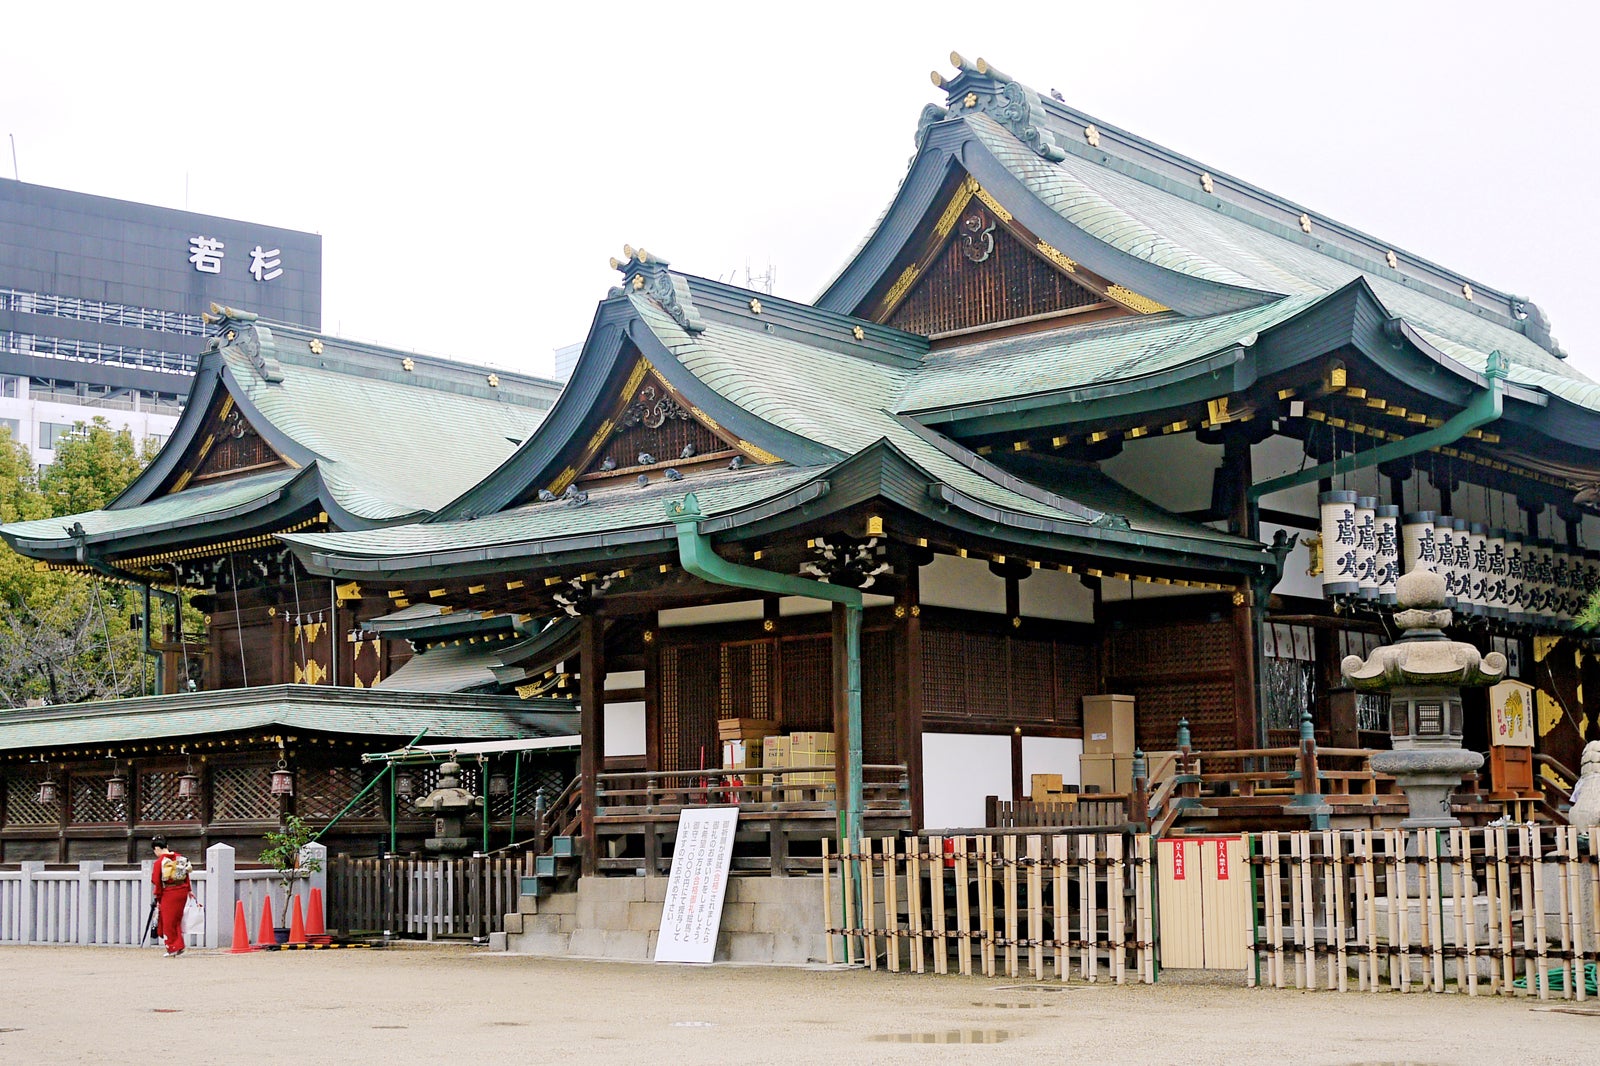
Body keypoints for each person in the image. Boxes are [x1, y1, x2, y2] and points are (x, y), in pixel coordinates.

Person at [149, 836, 190, 957]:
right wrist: (188, 889)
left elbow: (156, 880)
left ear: (157, 848)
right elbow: (186, 875)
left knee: (167, 921)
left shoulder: (159, 862)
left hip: (169, 892)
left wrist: (157, 895)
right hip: (182, 891)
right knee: (176, 920)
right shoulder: (180, 858)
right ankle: (179, 945)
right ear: (167, 846)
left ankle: (172, 947)